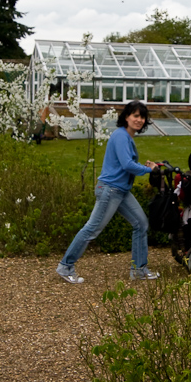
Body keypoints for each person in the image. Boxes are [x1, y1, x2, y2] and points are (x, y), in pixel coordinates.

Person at [56, 100, 159, 284]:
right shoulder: (120, 136)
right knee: (92, 229)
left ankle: (139, 270)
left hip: (121, 191)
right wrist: (149, 170)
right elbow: (127, 165)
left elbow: (125, 164)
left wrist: (145, 167)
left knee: (141, 224)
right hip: (110, 190)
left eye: (142, 117)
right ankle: (65, 266)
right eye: (136, 115)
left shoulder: (127, 137)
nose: (140, 120)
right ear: (126, 117)